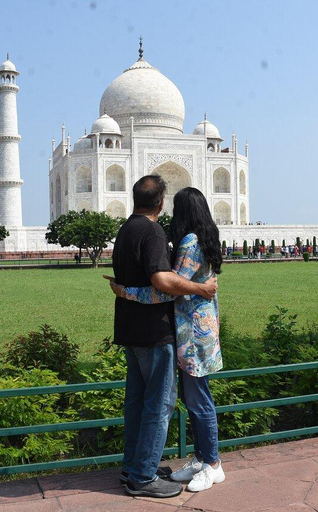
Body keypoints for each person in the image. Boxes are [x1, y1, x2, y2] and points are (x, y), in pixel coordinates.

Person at [108, 187, 226, 493]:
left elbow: (166, 289)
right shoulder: (203, 238)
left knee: (197, 400)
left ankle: (212, 465)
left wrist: (126, 292)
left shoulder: (188, 242)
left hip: (191, 333)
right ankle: (202, 459)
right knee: (192, 398)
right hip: (199, 329)